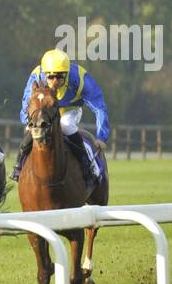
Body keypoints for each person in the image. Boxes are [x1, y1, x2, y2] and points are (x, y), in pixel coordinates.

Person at [11, 48, 110, 185]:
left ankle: (88, 166)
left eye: (60, 76)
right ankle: (19, 166)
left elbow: (99, 106)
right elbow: (27, 102)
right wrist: (28, 122)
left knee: (66, 125)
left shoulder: (80, 78)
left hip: (70, 110)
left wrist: (101, 136)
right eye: (50, 77)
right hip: (44, 112)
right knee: (32, 131)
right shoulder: (37, 75)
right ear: (44, 73)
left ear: (67, 73)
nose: (55, 81)